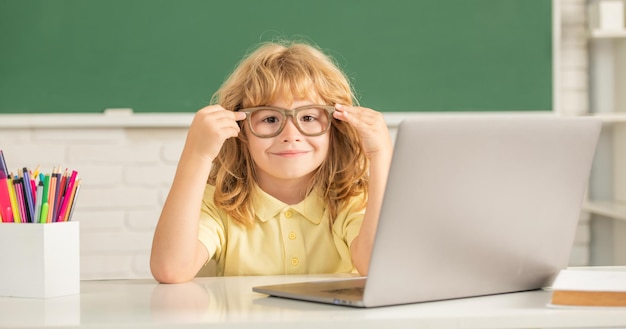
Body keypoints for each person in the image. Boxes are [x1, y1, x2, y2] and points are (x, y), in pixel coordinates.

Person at [150, 40, 392, 283]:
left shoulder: (350, 199)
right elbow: (171, 269)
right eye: (269, 119)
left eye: (308, 116)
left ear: (335, 127)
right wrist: (197, 154)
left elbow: (379, 266)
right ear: (241, 130)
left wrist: (381, 155)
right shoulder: (221, 203)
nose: (290, 135)